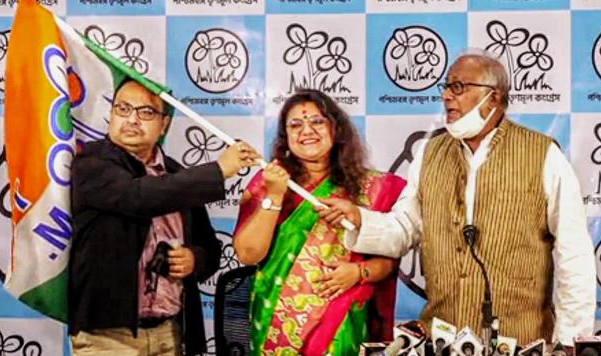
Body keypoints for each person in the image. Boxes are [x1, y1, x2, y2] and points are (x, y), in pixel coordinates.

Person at [318, 51, 596, 346]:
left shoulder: (542, 155)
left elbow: (574, 255)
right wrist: (360, 219)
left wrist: (569, 342)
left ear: (494, 98)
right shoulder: (430, 153)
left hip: (521, 342)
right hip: (442, 340)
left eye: (459, 87)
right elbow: (405, 227)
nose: (448, 96)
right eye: (447, 87)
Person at [68, 79, 260, 355]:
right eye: (123, 108)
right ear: (110, 115)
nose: (132, 119)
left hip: (171, 333)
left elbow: (211, 249)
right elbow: (138, 196)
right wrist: (218, 170)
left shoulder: (175, 174)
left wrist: (195, 259)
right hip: (108, 337)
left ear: (164, 125)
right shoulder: (92, 164)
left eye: (145, 112)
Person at [233, 89, 406, 355]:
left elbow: (389, 261)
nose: (306, 131)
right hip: (276, 324)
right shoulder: (268, 182)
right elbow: (247, 254)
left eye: (317, 122)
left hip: (339, 323)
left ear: (336, 129)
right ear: (285, 136)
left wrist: (358, 273)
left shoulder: (370, 187)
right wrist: (275, 194)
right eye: (295, 124)